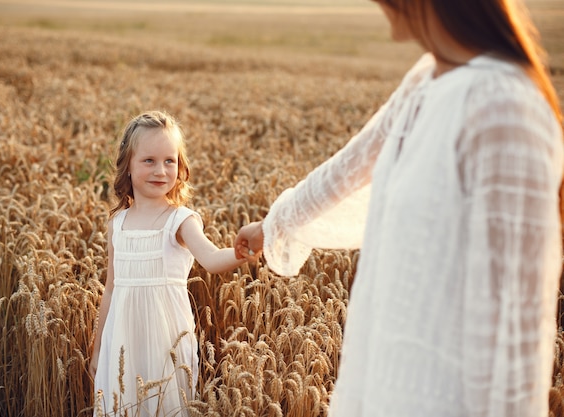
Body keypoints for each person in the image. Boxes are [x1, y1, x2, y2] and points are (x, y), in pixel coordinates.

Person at [234, 0, 563, 416]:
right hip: (383, 375)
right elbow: (348, 170)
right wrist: (275, 225)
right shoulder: (426, 79)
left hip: (446, 396)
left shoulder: (504, 108)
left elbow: (514, 325)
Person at [89, 110, 255, 416]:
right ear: (127, 166)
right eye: (149, 161)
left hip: (166, 343)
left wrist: (241, 252)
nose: (161, 171)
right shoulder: (118, 223)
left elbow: (211, 257)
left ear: (181, 167)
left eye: (170, 161)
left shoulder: (180, 220)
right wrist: (99, 348)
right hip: (122, 342)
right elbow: (111, 289)